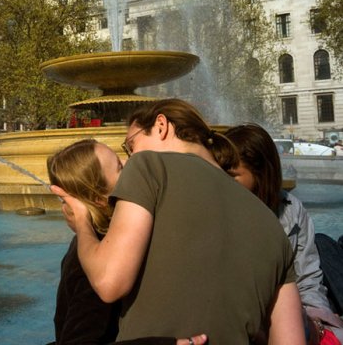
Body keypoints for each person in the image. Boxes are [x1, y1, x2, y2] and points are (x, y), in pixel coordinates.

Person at [51, 99, 304, 343]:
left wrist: (82, 220)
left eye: (130, 145)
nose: (129, 159)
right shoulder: (272, 226)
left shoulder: (149, 167)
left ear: (161, 126)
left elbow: (109, 282)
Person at [47, 138, 207, 345]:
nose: (130, 162)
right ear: (99, 198)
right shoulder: (95, 257)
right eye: (120, 166)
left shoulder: (113, 237)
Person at [225, 123, 343, 344]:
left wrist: (315, 320)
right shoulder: (218, 209)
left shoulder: (291, 208)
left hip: (293, 317)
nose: (223, 182)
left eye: (232, 176)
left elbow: (308, 279)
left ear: (260, 173)